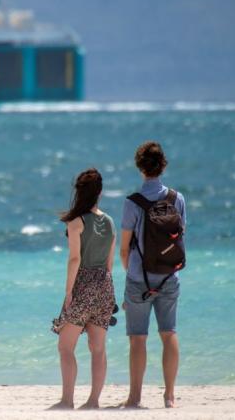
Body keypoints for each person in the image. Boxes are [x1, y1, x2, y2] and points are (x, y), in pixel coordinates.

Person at [120, 141, 186, 409]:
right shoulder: (177, 198)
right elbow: (181, 236)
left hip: (139, 278)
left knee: (138, 338)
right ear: (163, 165)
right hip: (170, 276)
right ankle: (169, 396)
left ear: (140, 167)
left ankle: (135, 397)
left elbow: (124, 248)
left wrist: (132, 272)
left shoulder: (132, 202)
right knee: (168, 332)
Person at [49, 168, 116, 410]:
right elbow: (110, 263)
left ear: (79, 192)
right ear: (99, 192)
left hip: (84, 285)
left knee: (66, 346)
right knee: (98, 348)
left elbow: (75, 259)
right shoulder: (109, 222)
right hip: (106, 284)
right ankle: (93, 401)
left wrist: (69, 293)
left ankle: (67, 400)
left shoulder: (76, 221)